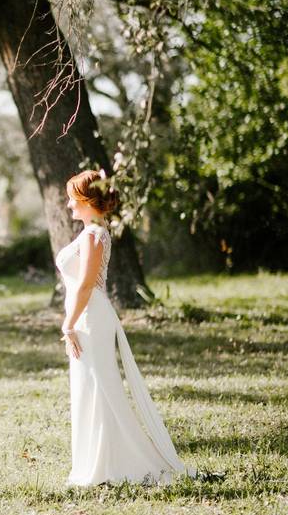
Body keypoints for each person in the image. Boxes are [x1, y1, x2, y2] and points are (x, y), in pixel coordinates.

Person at [56, 169, 195, 486]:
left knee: (101, 387)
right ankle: (97, 463)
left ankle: (115, 464)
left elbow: (87, 284)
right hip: (86, 317)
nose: (68, 204)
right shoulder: (90, 232)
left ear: (87, 200)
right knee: (90, 387)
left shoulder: (93, 234)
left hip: (90, 318)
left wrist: (68, 324)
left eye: (72, 198)